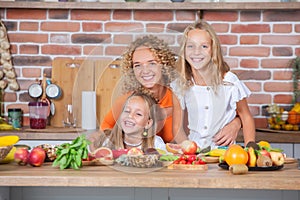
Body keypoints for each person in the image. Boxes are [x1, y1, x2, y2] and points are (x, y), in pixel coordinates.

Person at [101, 35, 241, 145]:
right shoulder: (128, 101)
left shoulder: (182, 92)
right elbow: (104, 131)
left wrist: (236, 123)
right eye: (137, 65)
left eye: (152, 63)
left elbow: (212, 112)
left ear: (164, 64)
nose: (145, 71)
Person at [173, 20, 255, 149]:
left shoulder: (229, 81)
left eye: (204, 46)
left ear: (213, 50)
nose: (196, 52)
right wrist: (189, 150)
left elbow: (246, 116)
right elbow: (177, 128)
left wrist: (250, 149)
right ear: (184, 50)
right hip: (195, 153)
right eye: (191, 46)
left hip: (225, 153)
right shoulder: (181, 84)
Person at [89, 92, 166, 152]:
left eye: (138, 114)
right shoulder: (108, 141)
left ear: (148, 123)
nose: (130, 116)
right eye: (127, 111)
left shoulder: (156, 144)